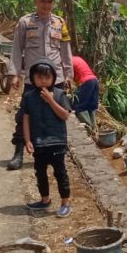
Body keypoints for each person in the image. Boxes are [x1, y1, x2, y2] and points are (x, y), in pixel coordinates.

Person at [6, 0, 74, 170]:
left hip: (56, 78)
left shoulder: (60, 23)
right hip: (32, 79)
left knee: (57, 114)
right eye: (42, 0)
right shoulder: (25, 22)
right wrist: (15, 74)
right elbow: (17, 49)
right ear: (35, 1)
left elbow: (65, 50)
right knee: (24, 116)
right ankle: (18, 153)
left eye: (49, 1)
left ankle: (57, 151)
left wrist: (69, 74)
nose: (46, 4)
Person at [21, 59, 73, 217]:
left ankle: (65, 202)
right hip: (39, 142)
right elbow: (26, 119)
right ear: (33, 78)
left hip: (56, 141)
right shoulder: (29, 97)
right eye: (39, 78)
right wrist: (28, 140)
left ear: (53, 78)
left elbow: (65, 115)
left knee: (60, 173)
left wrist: (50, 100)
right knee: (40, 172)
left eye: (47, 78)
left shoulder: (59, 94)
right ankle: (45, 200)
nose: (43, 81)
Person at [71, 54, 99, 134]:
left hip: (86, 82)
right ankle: (94, 129)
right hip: (94, 80)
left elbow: (69, 77)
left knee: (80, 107)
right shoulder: (77, 58)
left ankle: (89, 130)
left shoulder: (68, 62)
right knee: (92, 106)